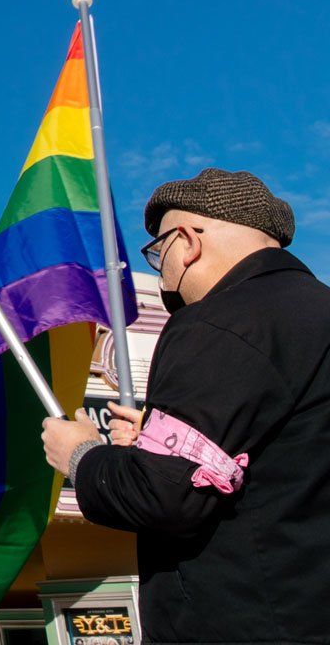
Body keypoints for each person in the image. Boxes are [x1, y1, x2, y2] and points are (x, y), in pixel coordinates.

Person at [40, 167, 330, 645]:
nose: (162, 274)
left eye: (158, 252)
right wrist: (156, 442)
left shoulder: (218, 321)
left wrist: (82, 454)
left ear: (188, 240)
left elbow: (164, 497)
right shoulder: (315, 312)